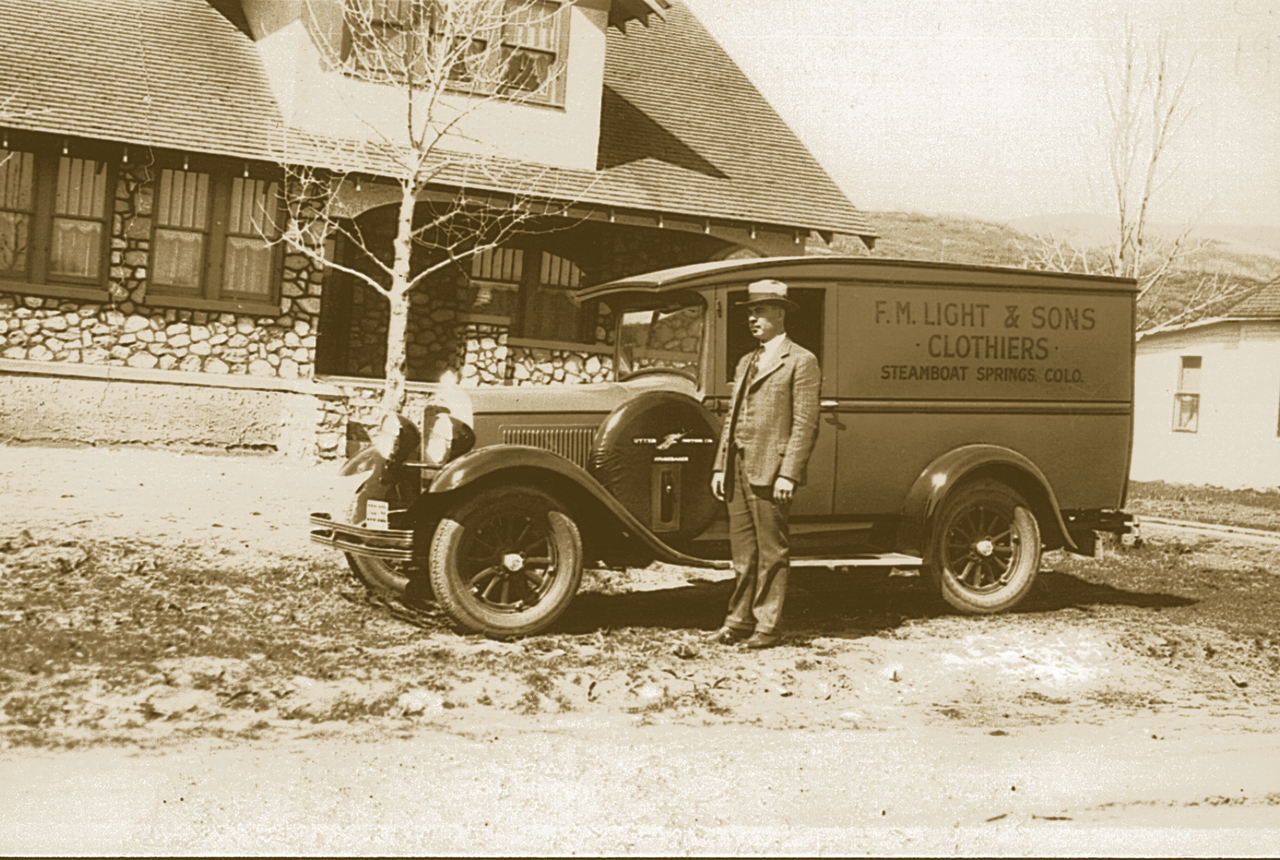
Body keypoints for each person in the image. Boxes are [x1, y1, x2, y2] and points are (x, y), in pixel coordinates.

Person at [708, 278, 821, 649]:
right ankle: (737, 622)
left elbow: (805, 423)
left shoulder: (801, 361)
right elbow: (732, 416)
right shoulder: (747, 360)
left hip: (771, 471)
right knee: (742, 551)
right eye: (750, 312)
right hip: (738, 467)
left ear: (780, 313)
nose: (752, 319)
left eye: (759, 311)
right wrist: (719, 465)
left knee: (772, 551)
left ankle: (768, 628)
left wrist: (788, 473)